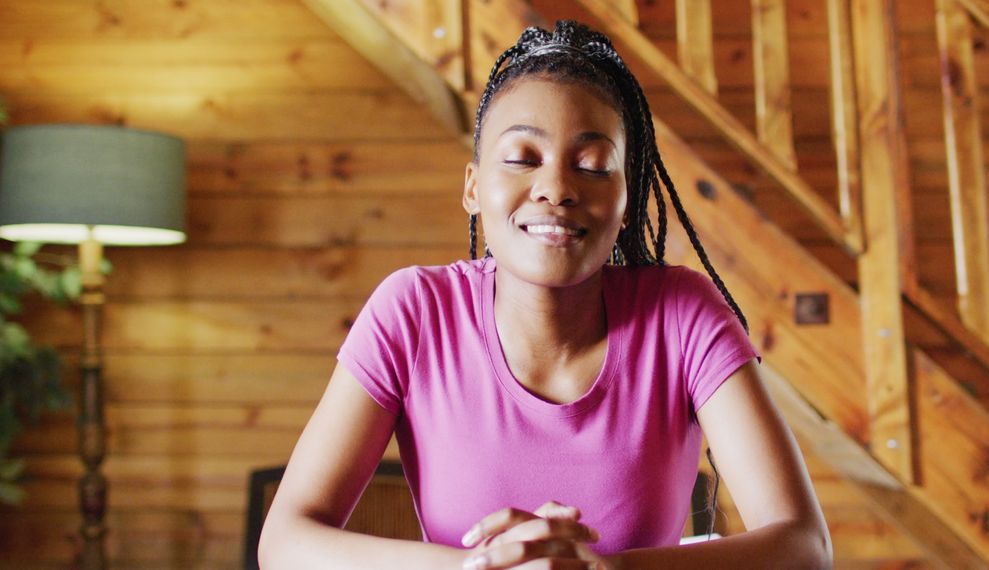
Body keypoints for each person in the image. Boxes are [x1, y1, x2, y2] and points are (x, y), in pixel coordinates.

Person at [259, 20, 830, 569]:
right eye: (521, 158)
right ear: (474, 187)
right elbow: (285, 542)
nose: (557, 187)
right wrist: (483, 568)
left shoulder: (683, 314)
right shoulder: (413, 311)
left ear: (627, 198)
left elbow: (803, 545)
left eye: (592, 165)